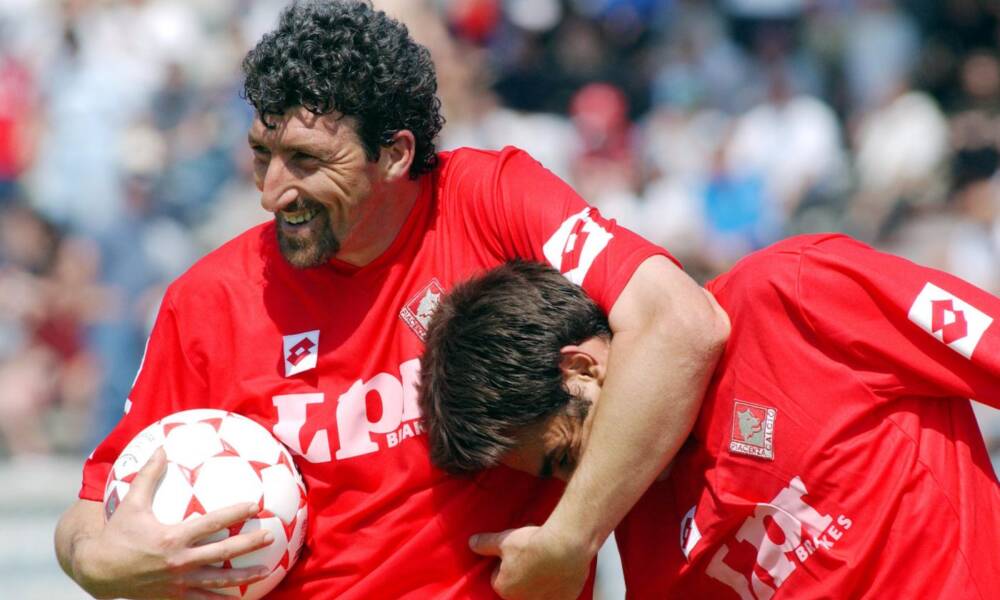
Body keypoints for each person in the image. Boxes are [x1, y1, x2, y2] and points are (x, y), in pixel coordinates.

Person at [53, 2, 729, 599]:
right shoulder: (208, 301)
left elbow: (680, 324)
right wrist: (99, 564)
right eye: (262, 155)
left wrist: (572, 536)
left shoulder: (493, 202)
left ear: (396, 153)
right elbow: (91, 507)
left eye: (307, 160)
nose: (273, 192)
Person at [419, 234, 1000, 599]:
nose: (581, 492)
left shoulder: (791, 294)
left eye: (567, 457)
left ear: (582, 368)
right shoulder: (642, 541)